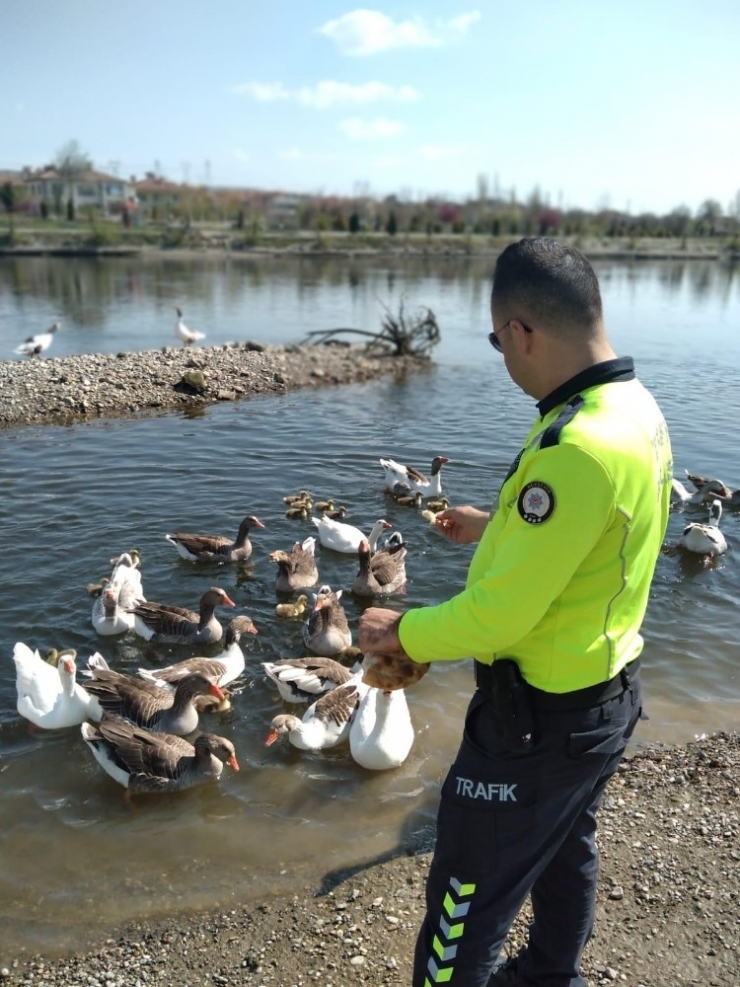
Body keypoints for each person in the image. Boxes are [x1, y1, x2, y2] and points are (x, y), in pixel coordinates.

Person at [358, 237, 672, 987]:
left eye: (500, 341)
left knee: (464, 901)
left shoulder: (576, 446)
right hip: (604, 696)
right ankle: (550, 976)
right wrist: (491, 523)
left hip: (537, 724)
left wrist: (401, 629)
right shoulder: (628, 407)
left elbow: (498, 618)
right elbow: (590, 536)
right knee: (567, 850)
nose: (503, 357)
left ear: (522, 332)